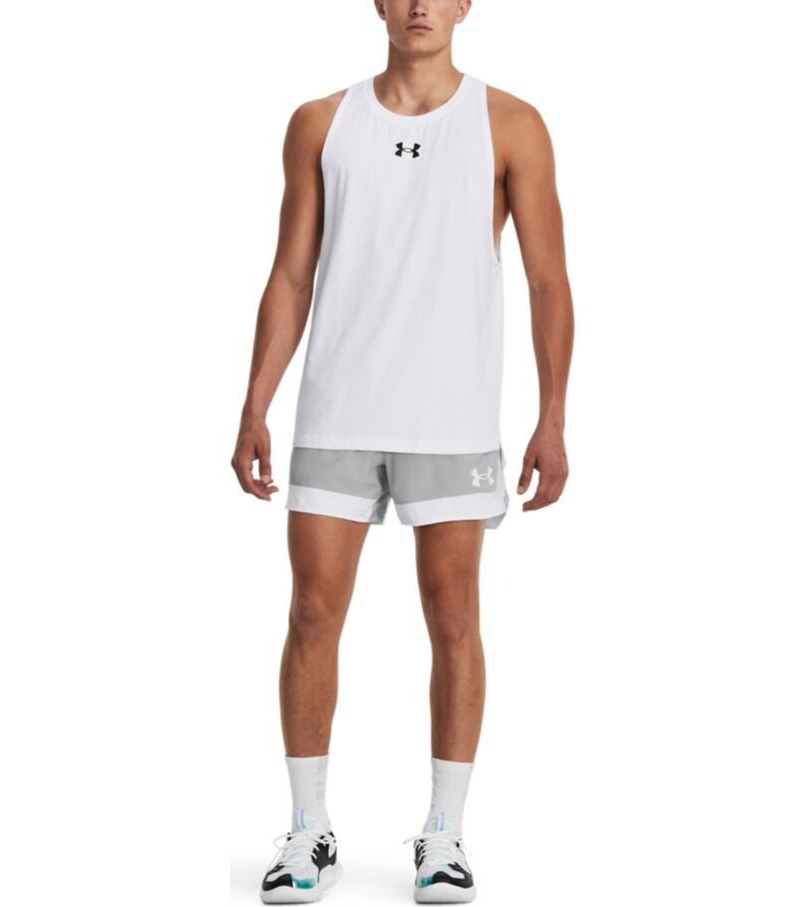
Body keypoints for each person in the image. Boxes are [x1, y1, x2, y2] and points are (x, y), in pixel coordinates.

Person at [231, 1, 573, 902]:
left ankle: (443, 833)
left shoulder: (511, 123)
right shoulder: (318, 122)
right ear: (377, 3)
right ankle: (307, 828)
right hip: (337, 411)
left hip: (450, 419)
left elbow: (547, 280)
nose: (420, 3)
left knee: (453, 615)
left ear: (465, 4)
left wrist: (551, 417)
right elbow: (290, 273)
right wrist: (255, 403)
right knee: (312, 612)